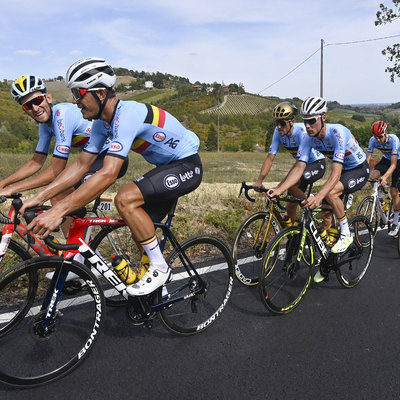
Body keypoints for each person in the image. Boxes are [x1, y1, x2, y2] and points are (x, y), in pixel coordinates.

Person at [21, 57, 202, 296]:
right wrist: (38, 197)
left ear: (100, 93)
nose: (75, 102)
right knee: (139, 227)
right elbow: (80, 166)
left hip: (186, 164)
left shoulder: (128, 114)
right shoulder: (100, 125)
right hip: (166, 166)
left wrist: (59, 210)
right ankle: (159, 293)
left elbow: (108, 173)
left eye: (79, 93)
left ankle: (161, 268)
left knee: (125, 199)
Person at [1, 75, 127, 236]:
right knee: (58, 194)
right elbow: (36, 162)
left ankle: (78, 251)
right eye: (27, 106)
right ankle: (74, 252)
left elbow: (56, 171)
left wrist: (12, 189)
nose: (35, 108)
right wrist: (3, 184)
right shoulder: (45, 125)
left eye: (37, 100)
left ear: (48, 97)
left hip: (110, 158)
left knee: (60, 193)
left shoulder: (62, 114)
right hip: (93, 160)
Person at [266, 96, 369, 283]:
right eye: (305, 121)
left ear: (323, 117)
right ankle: (328, 260)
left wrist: (319, 196)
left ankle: (347, 234)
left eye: (312, 120)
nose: (307, 126)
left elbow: (336, 172)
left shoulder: (338, 132)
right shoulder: (308, 138)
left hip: (359, 169)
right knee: (324, 212)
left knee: (329, 193)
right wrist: (279, 189)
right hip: (344, 172)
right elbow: (299, 168)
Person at [253, 102, 325, 224]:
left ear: (292, 121)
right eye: (277, 123)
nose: (279, 127)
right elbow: (270, 157)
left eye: (282, 123)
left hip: (316, 163)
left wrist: (279, 188)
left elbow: (298, 166)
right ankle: (294, 234)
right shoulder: (278, 132)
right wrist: (259, 180)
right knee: (290, 208)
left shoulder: (302, 133)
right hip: (301, 167)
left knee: (290, 185)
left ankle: (312, 207)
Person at [366, 120, 400, 236]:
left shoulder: (394, 140)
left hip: (398, 161)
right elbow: (368, 159)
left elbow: (394, 164)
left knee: (394, 192)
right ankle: (381, 199)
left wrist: (385, 177)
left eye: (380, 137)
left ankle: (396, 221)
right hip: (386, 159)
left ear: (386, 133)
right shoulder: (373, 140)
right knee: (372, 176)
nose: (378, 140)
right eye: (375, 137)